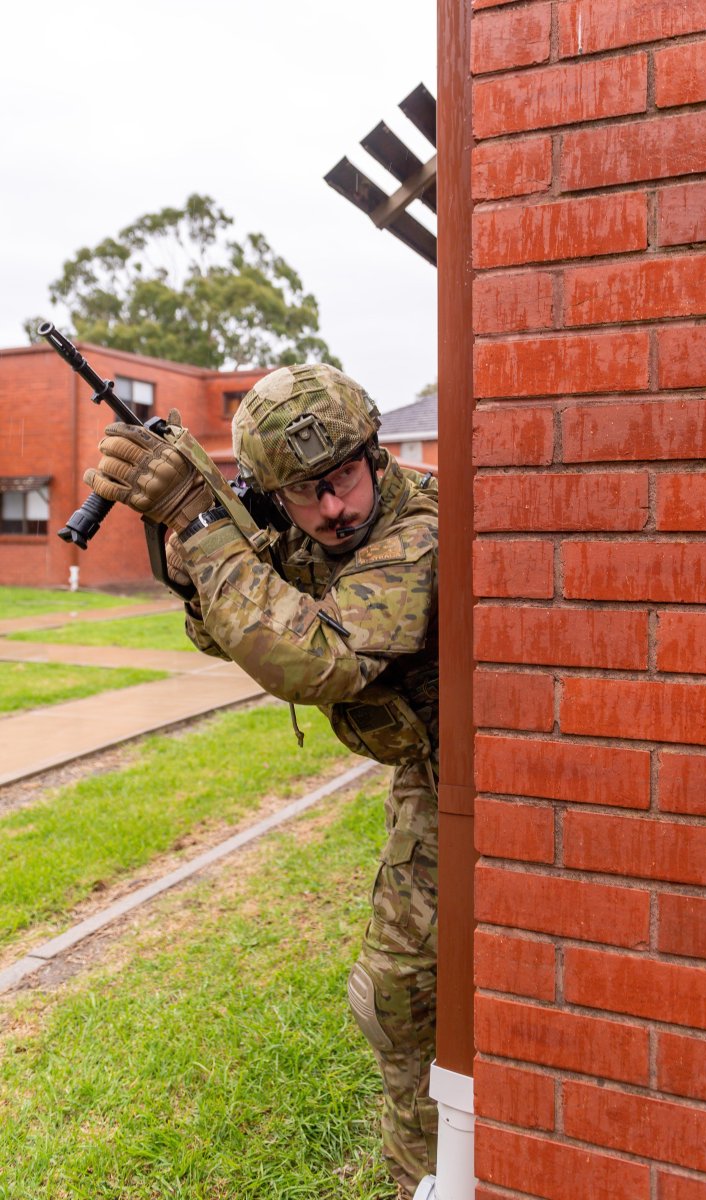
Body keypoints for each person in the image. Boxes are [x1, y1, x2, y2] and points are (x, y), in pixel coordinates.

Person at [84, 362, 439, 1197]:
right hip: (430, 769)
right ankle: (425, 1170)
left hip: (499, 770)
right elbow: (231, 632)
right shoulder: (296, 523)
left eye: (343, 477)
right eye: (304, 494)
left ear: (374, 453)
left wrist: (198, 520)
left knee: (424, 982)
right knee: (396, 995)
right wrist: (191, 549)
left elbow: (318, 660)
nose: (334, 509)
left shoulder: (415, 528)